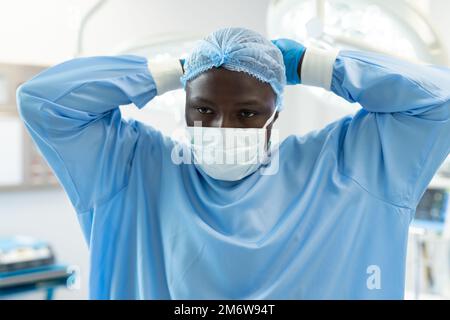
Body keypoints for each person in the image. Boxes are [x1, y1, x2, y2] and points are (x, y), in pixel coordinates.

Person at [16, 27, 450, 299]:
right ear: (182, 106)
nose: (222, 127)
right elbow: (42, 101)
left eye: (247, 113)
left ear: (276, 114)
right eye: (203, 109)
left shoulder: (346, 168)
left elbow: (441, 101)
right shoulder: (130, 168)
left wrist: (315, 65)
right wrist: (179, 69)